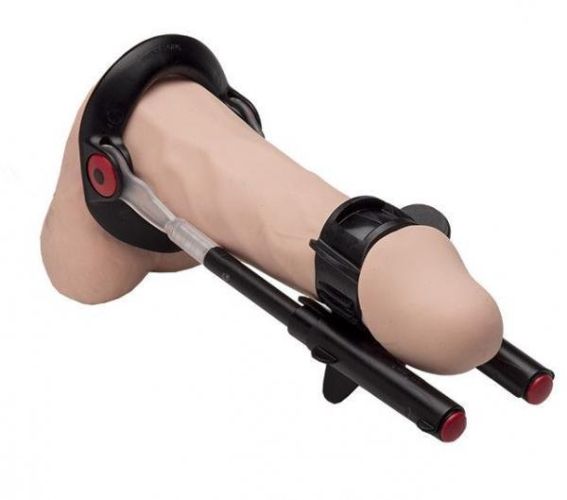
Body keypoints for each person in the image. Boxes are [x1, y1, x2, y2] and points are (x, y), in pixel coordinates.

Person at [41, 80, 503, 374]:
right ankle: (371, 256)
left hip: (154, 143)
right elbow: (82, 277)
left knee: (92, 274)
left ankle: (369, 258)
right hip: (147, 151)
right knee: (93, 275)